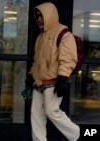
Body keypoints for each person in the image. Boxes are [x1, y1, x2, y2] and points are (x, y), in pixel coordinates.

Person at [25, 2, 80, 141]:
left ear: (49, 15)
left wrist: (63, 77)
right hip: (39, 82)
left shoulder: (63, 33)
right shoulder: (40, 37)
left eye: (41, 16)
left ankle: (75, 134)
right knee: (36, 116)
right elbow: (37, 60)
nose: (38, 19)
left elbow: (68, 59)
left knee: (52, 112)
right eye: (37, 16)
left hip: (53, 82)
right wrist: (31, 77)